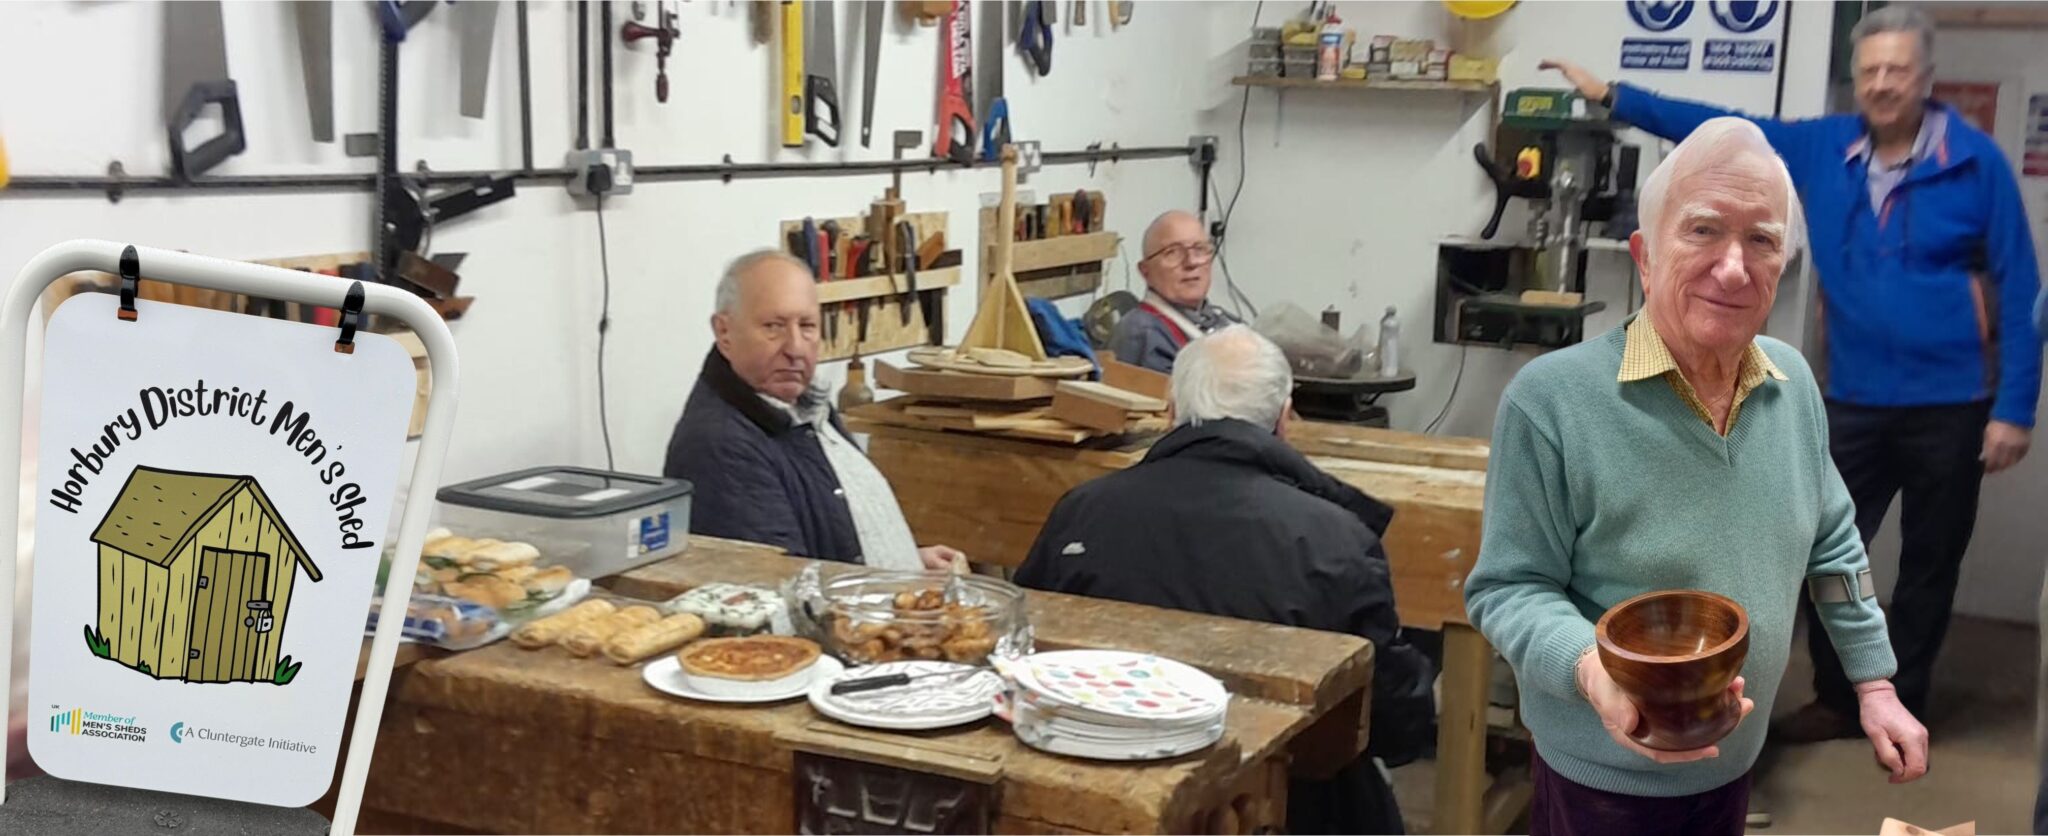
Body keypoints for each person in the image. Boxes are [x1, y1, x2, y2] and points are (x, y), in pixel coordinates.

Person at [1542, 4, 2043, 743]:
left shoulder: (1974, 163)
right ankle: (1838, 699)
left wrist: (2015, 409)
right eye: (1869, 70)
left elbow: (2022, 284)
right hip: (1854, 398)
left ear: (1926, 77)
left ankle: (1899, 697)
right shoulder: (1822, 148)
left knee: (1931, 564)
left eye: (1897, 70)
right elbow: (1719, 130)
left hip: (1953, 403)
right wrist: (1615, 95)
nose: (1882, 83)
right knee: (1828, 550)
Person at [1464, 117, 1929, 836]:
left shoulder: (1791, 387)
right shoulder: (1552, 402)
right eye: (1704, 231)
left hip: (1735, 766)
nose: (1734, 267)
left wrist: (1874, 683)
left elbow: (1834, 543)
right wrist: (1593, 671)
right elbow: (1507, 589)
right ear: (1645, 257)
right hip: (1601, 783)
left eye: (1762, 241)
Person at [1015, 324, 1435, 834]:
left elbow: (1021, 661)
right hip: (1275, 805)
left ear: (1170, 411)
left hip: (1100, 784)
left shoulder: (1081, 512)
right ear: (1284, 419)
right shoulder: (1338, 540)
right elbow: (1397, 726)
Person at [662, 250, 962, 571]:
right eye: (773, 326)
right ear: (724, 332)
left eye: (807, 326)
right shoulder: (720, 445)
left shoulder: (802, 404)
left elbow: (830, 524)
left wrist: (907, 560)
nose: (795, 348)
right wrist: (897, 588)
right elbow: (780, 584)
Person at [1109, 211, 1242, 372]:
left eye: (1199, 249)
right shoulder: (1143, 333)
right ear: (1145, 271)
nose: (1191, 262)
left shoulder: (1225, 321)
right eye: (1172, 252)